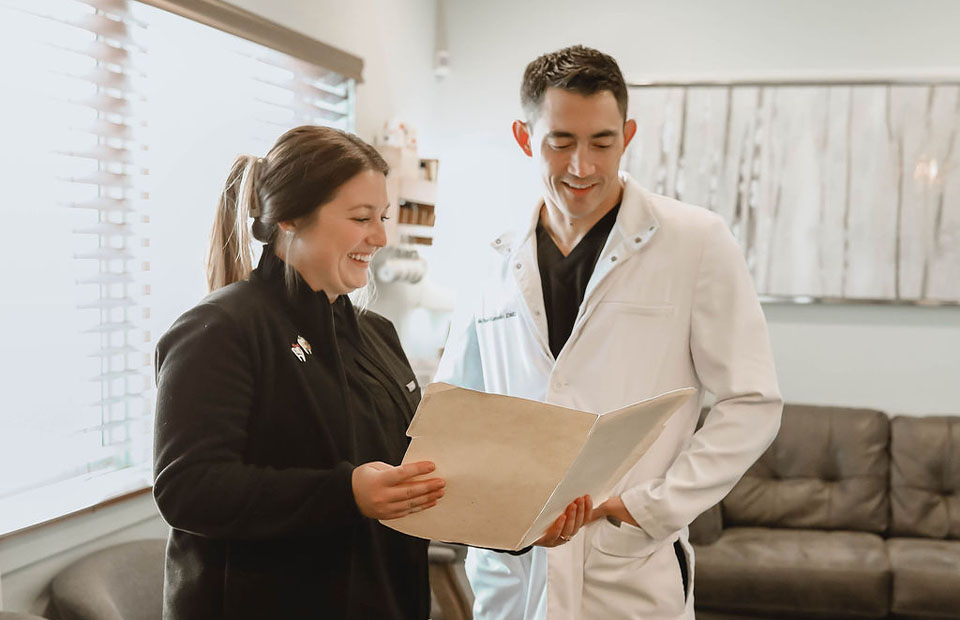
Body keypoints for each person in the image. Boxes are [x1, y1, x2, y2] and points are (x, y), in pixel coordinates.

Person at [434, 46, 783, 620]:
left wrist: (649, 507)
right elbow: (459, 405)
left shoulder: (694, 241)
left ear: (628, 134)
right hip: (514, 567)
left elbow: (753, 402)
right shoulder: (489, 253)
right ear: (525, 137)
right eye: (561, 142)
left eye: (602, 142)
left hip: (627, 562)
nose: (582, 167)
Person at [153, 126, 447, 620]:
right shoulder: (220, 329)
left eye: (383, 218)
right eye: (360, 218)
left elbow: (409, 474)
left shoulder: (375, 333)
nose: (380, 237)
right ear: (289, 220)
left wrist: (518, 518)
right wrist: (346, 492)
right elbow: (190, 490)